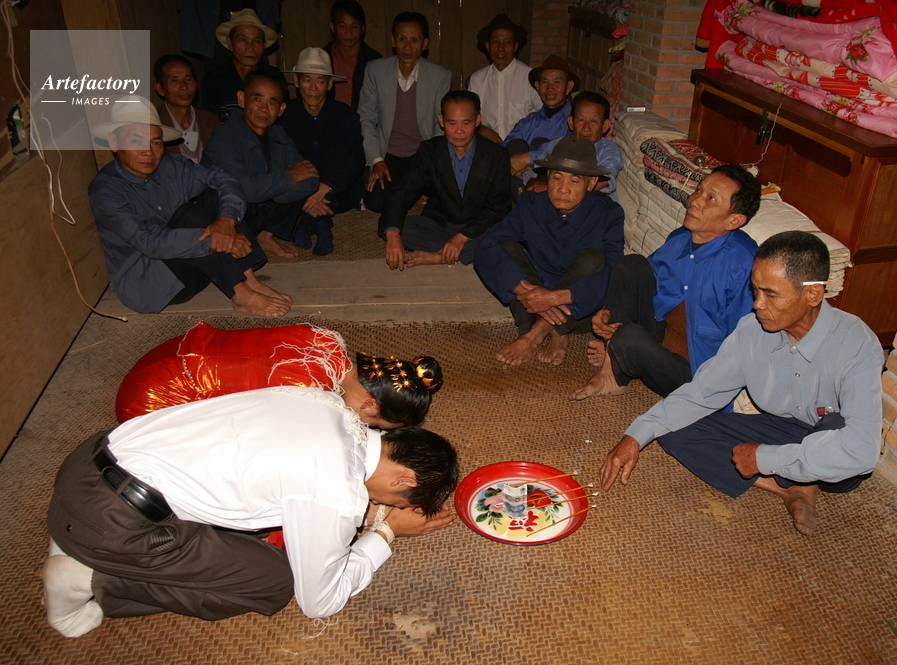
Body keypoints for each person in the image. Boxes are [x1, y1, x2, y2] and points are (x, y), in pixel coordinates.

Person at [41, 386, 459, 638]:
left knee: (255, 521)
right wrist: (385, 533)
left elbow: (286, 477)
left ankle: (78, 545)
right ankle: (90, 578)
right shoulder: (336, 491)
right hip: (111, 522)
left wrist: (365, 516)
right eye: (395, 501)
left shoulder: (327, 404)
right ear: (402, 479)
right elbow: (321, 601)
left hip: (87, 462)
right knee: (273, 580)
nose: (383, 506)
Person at [599, 231, 883, 536]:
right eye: (755, 290)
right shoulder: (751, 331)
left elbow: (861, 451)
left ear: (813, 294)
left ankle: (798, 475)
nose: (757, 304)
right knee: (671, 429)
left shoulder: (856, 342)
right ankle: (789, 489)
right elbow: (701, 393)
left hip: (829, 435)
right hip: (780, 429)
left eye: (771, 294)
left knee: (840, 437)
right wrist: (636, 435)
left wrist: (766, 458)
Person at [89, 96, 291, 318]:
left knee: (214, 195)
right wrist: (220, 241)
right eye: (136, 141)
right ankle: (241, 294)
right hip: (153, 285)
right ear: (114, 143)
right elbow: (149, 242)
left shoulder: (170, 165)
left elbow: (224, 179)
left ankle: (249, 280)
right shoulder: (106, 190)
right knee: (188, 214)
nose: (148, 152)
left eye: (156, 142)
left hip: (202, 269)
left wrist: (227, 221)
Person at [571, 164, 760, 401]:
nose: (695, 201)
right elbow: (639, 284)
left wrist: (719, 391)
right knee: (631, 265)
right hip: (660, 339)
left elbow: (744, 338)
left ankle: (624, 353)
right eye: (698, 190)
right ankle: (611, 371)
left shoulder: (744, 264)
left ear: (734, 221)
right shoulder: (680, 238)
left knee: (628, 337)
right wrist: (608, 310)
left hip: (697, 370)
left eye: (710, 198)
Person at [115, 321, 444, 430]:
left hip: (175, 348)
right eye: (375, 425)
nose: (368, 428)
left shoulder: (327, 339)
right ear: (370, 406)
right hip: (149, 403)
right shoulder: (312, 398)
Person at [475, 137, 624, 367]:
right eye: (556, 178)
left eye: (575, 181)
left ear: (592, 182)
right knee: (504, 248)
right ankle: (554, 331)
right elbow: (486, 245)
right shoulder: (531, 205)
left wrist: (557, 298)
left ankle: (535, 336)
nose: (562, 189)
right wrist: (525, 289)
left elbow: (615, 270)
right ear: (548, 176)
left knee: (594, 260)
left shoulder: (608, 213)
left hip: (579, 307)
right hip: (531, 303)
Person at [379, 90, 511, 270]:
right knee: (394, 226)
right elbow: (403, 192)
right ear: (441, 120)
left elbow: (498, 208)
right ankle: (461, 252)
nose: (459, 131)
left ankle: (441, 256)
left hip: (479, 226)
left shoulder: (497, 155)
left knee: (507, 233)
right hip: (441, 223)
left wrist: (462, 237)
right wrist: (393, 235)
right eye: (452, 123)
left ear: (477, 120)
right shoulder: (430, 150)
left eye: (466, 123)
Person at [203, 71, 320, 259]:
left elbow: (311, 179)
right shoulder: (224, 138)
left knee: (299, 182)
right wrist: (287, 178)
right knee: (287, 181)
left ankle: (265, 235)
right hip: (232, 214)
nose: (264, 109)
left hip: (262, 208)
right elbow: (244, 190)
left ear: (281, 109)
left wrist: (270, 188)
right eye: (257, 99)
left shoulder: (278, 134)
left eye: (272, 103)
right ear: (242, 99)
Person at [358, 12, 452, 213]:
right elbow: (366, 118)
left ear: (425, 43)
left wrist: (431, 163)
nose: (408, 47)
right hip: (388, 152)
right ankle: (411, 189)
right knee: (376, 202)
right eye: (402, 39)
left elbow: (440, 124)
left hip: (421, 153)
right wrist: (377, 160)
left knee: (445, 197)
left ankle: (417, 188)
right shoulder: (376, 70)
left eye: (414, 40)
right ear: (393, 41)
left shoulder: (439, 75)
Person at [279, 48, 365, 256]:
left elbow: (357, 158)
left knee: (339, 150)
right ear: (296, 81)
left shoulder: (345, 115)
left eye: (320, 81)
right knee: (294, 154)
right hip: (298, 194)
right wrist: (305, 197)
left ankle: (306, 222)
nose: (313, 88)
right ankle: (321, 223)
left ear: (329, 84)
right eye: (307, 80)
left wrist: (325, 188)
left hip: (338, 194)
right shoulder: (284, 115)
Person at [521, 91, 624, 200]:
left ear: (605, 126)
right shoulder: (558, 144)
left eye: (594, 121)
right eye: (581, 120)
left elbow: (604, 180)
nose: (586, 128)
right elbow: (533, 175)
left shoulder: (609, 150)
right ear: (571, 122)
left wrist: (550, 188)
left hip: (591, 202)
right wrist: (531, 190)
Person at [467, 14, 540, 144]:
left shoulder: (530, 77)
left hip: (523, 148)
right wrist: (482, 129)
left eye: (507, 42)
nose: (501, 48)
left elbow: (544, 117)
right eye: (496, 41)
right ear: (488, 46)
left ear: (515, 47)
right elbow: (468, 118)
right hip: (488, 148)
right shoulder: (477, 80)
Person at [200, 9, 283, 122]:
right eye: (243, 40)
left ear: (264, 46)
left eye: (257, 41)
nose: (250, 48)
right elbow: (210, 122)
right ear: (230, 42)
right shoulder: (215, 79)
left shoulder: (274, 77)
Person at [503, 54, 577, 159]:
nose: (550, 88)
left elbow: (572, 151)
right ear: (537, 86)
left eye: (557, 82)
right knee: (516, 144)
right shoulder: (528, 122)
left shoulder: (576, 122)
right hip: (518, 169)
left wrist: (528, 159)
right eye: (545, 82)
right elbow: (504, 147)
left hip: (557, 169)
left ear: (568, 87)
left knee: (541, 144)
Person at [153, 54, 221, 164]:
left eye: (188, 79)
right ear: (160, 89)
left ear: (195, 84)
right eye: (175, 80)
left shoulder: (211, 120)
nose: (184, 86)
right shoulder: (154, 123)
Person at [324, 0, 383, 111]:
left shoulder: (375, 61)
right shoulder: (322, 58)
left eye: (354, 27)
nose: (348, 33)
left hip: (363, 120)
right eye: (342, 26)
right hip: (328, 120)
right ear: (332, 27)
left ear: (363, 28)